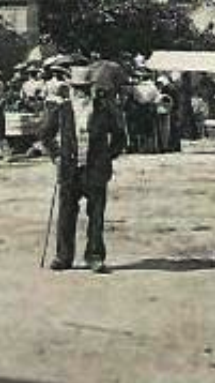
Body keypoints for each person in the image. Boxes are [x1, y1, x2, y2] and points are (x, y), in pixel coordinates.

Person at [39, 65, 128, 273]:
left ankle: (94, 256)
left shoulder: (104, 110)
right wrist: (56, 155)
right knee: (66, 215)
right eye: (77, 88)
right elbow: (45, 135)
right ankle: (63, 257)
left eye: (85, 88)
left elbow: (120, 137)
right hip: (69, 169)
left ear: (91, 89)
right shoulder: (62, 110)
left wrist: (108, 156)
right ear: (71, 89)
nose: (81, 93)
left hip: (95, 170)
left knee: (96, 216)